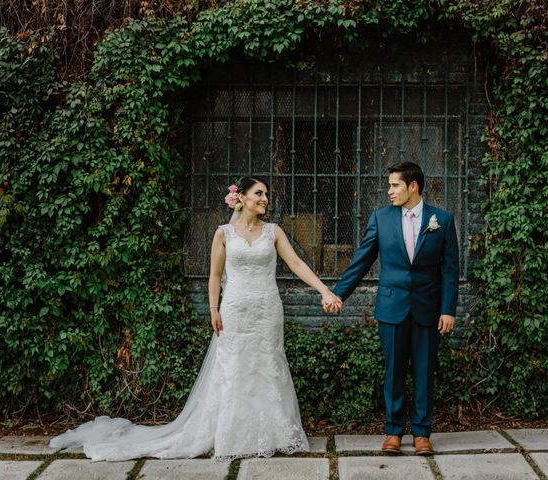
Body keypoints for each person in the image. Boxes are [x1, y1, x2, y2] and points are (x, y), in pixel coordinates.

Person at [50, 176, 342, 461]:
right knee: (234, 369)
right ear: (241, 197)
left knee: (268, 365)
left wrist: (324, 291)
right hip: (235, 311)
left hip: (267, 311)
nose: (265, 199)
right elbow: (215, 275)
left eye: (266, 194)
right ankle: (232, 436)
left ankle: (272, 435)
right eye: (259, 194)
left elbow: (296, 263)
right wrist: (214, 309)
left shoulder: (274, 231)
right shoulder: (223, 234)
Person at [326, 161, 459, 455]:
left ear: (413, 186)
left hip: (428, 307)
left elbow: (450, 270)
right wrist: (338, 294)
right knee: (394, 371)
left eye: (395, 185)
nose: (389, 191)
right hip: (392, 307)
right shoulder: (381, 218)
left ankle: (422, 433)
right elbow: (362, 260)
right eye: (389, 186)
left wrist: (448, 309)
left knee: (424, 372)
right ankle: (394, 431)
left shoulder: (443, 220)